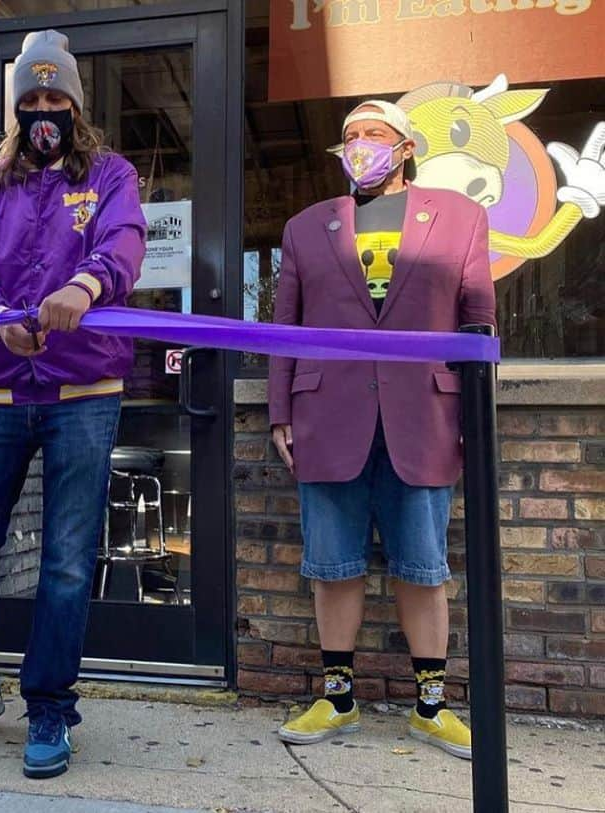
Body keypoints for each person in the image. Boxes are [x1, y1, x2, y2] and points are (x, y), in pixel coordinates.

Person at [0, 30, 146, 779]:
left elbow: (126, 241)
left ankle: (49, 702)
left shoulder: (111, 174)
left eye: (57, 99)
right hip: (3, 389)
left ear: (77, 105)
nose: (45, 111)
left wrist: (88, 285)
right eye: (32, 101)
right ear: (16, 111)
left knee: (68, 562)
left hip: (86, 391)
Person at [268, 100, 496, 759]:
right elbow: (285, 329)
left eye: (373, 134)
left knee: (423, 566)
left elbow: (477, 321)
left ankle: (432, 705)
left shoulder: (460, 218)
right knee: (332, 563)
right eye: (349, 136)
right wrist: (281, 410)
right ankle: (338, 697)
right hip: (326, 414)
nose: (359, 144)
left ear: (406, 147)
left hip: (424, 416)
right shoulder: (307, 228)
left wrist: (473, 416)